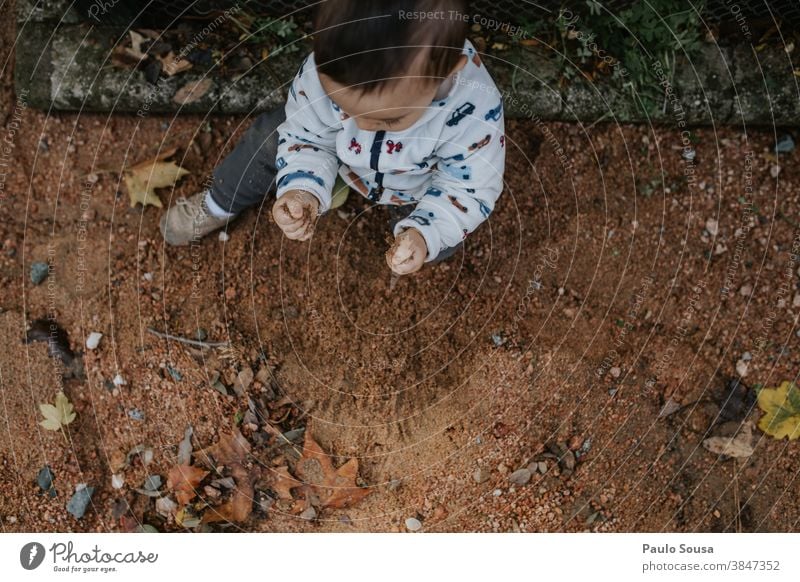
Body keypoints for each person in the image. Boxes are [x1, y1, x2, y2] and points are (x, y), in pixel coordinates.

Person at [160, 0, 505, 275]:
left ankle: (413, 228)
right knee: (270, 136)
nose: (363, 126)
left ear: (445, 71)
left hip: (416, 186)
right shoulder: (331, 65)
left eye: (390, 119)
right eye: (344, 107)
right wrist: (301, 186)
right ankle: (221, 201)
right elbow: (305, 135)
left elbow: (467, 189)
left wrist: (424, 233)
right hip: (338, 157)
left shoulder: (475, 112)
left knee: (440, 239)